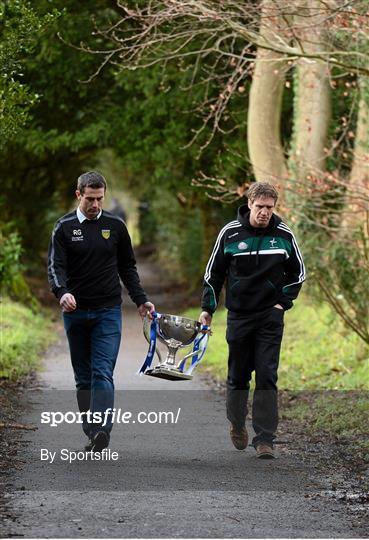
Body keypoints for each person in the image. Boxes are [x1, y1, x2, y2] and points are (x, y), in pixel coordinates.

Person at [47, 171, 155, 452]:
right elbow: (55, 267)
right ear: (78, 195)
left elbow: (127, 267)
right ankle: (91, 431)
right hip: (75, 312)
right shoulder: (64, 227)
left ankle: (102, 431)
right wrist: (63, 293)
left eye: (100, 199)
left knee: (102, 372)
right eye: (90, 199)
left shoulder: (116, 226)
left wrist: (141, 299)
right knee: (83, 376)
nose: (95, 205)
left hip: (108, 310)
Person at [199, 181, 305, 459]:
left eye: (270, 208)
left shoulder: (283, 235)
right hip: (239, 316)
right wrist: (207, 309)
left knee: (267, 376)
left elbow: (298, 274)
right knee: (238, 377)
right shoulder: (230, 233)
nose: (265, 213)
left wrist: (282, 304)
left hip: (270, 316)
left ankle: (265, 438)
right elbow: (214, 275)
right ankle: (236, 422)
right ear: (249, 205)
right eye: (260, 207)